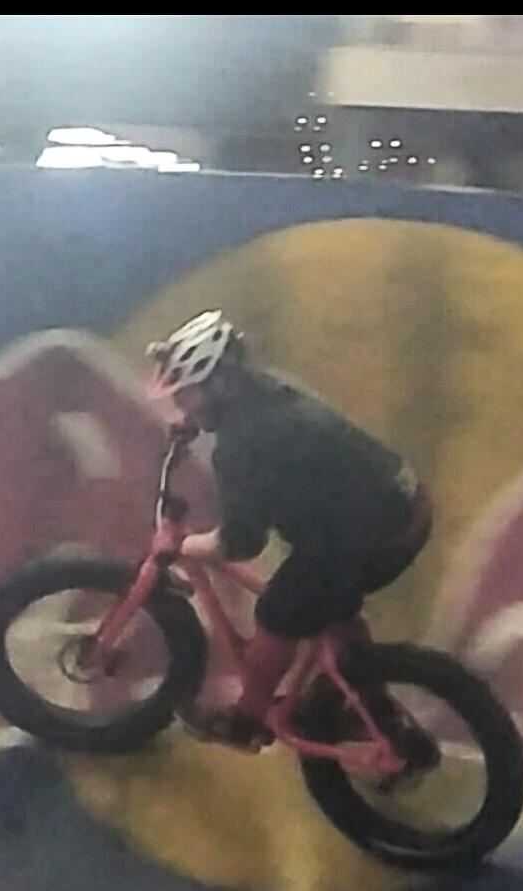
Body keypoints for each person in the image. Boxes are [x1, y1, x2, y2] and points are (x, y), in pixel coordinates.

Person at [146, 310, 432, 750]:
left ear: (219, 383)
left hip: (375, 534)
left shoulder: (240, 449)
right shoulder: (264, 391)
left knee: (278, 613)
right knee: (327, 599)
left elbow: (240, 543)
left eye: (187, 396)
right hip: (403, 505)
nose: (183, 407)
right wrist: (195, 424)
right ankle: (369, 700)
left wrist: (181, 545)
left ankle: (245, 723)